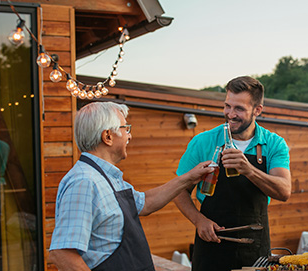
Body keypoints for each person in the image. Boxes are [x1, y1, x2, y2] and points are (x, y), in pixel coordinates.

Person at [48, 102, 214, 271]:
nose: (129, 136)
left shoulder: (107, 178)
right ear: (108, 136)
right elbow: (62, 254)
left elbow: (146, 202)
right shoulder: (84, 182)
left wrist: (188, 178)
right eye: (125, 129)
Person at [174, 76, 292, 271]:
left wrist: (249, 170)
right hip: (212, 244)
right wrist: (199, 220)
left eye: (239, 109)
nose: (230, 114)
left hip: (255, 246)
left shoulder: (274, 144)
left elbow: (284, 191)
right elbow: (178, 190)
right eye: (227, 106)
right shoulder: (202, 142)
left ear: (257, 110)